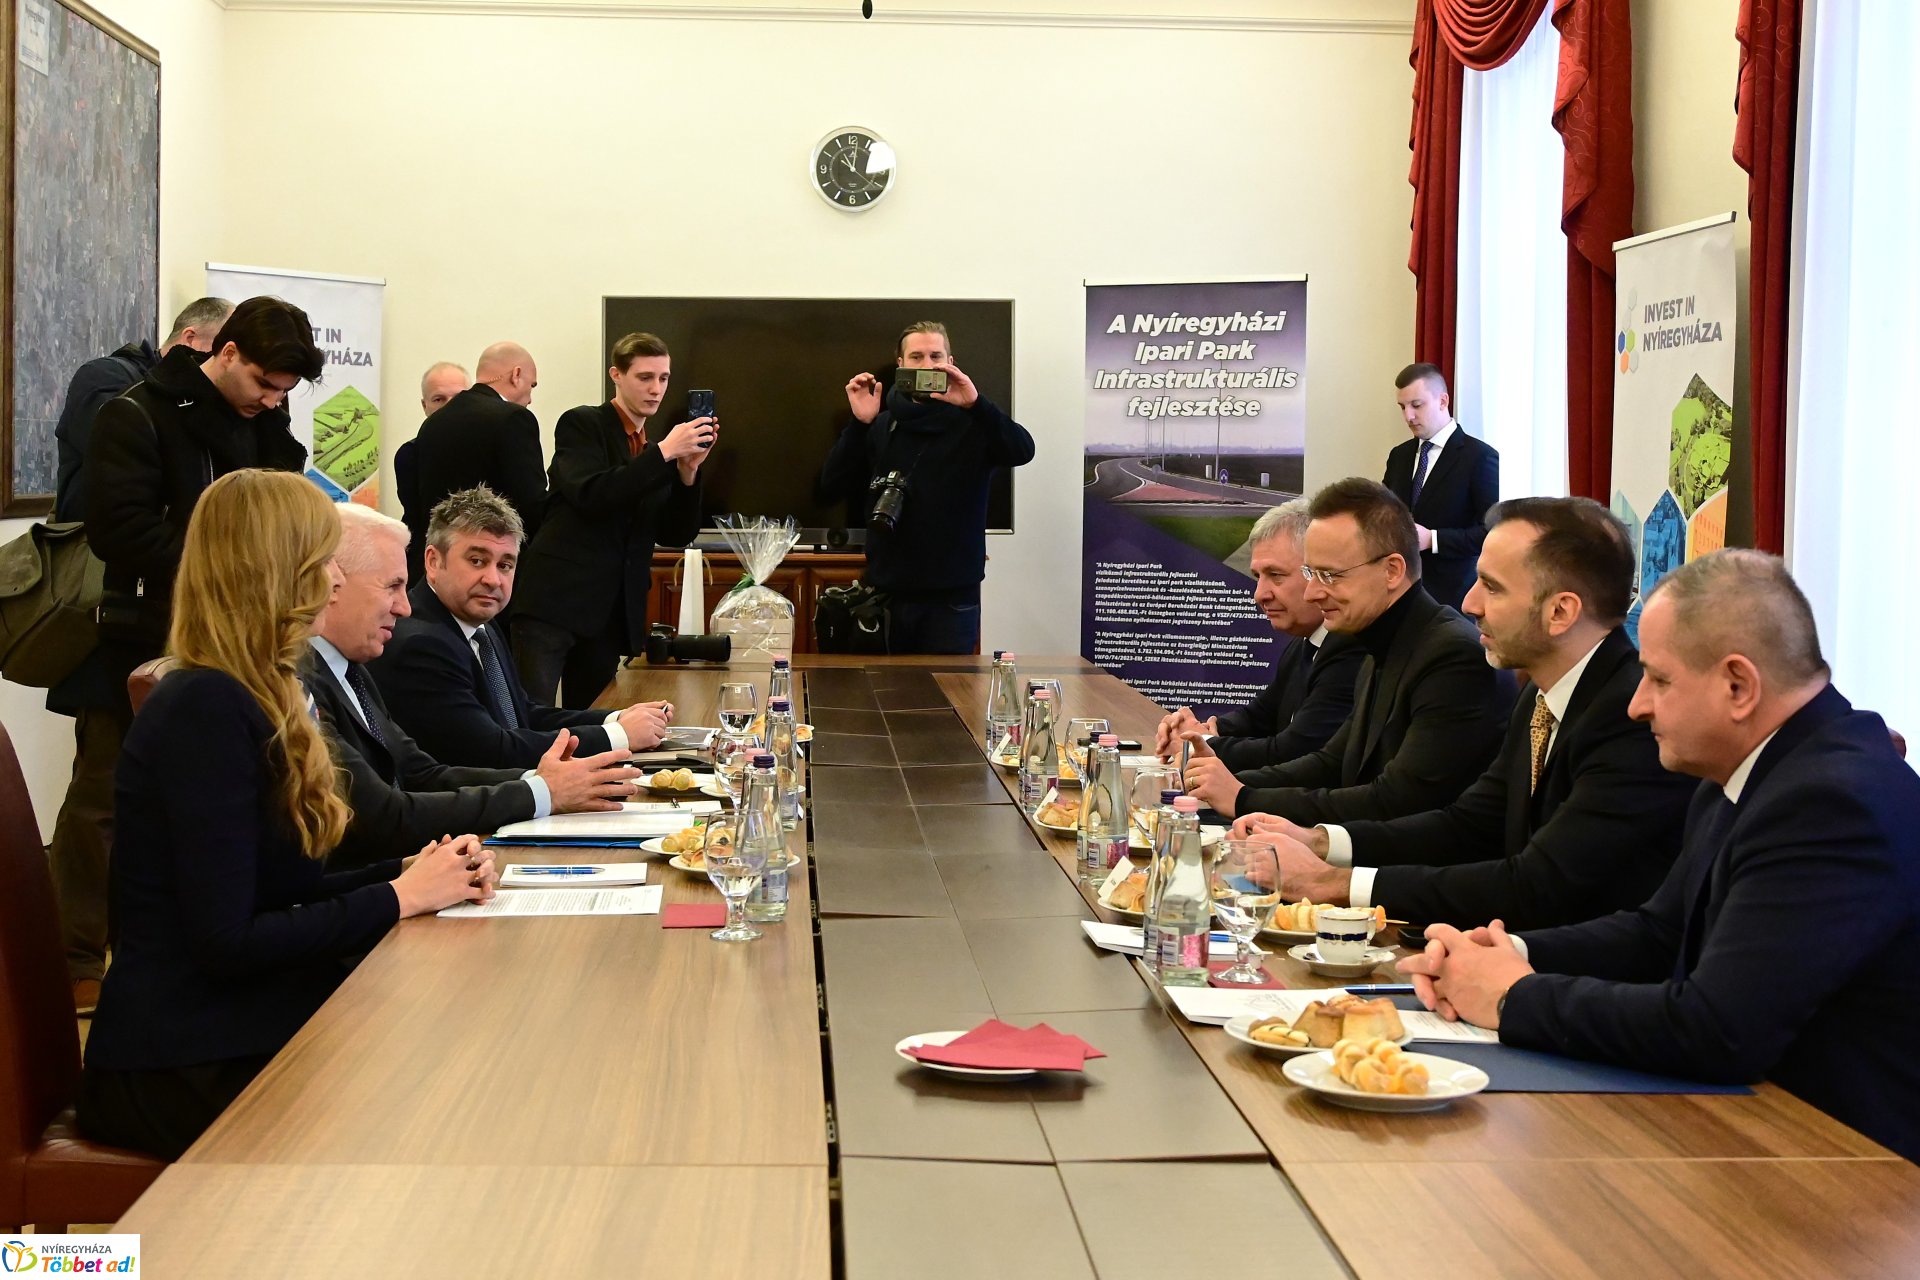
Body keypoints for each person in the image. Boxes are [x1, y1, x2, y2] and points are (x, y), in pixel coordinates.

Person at [1400, 550, 1920, 1162]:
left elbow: (1719, 1029)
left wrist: (1514, 998)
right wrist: (1508, 953)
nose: (1637, 703)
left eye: (1660, 679)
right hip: (1753, 1127)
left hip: (1846, 1166)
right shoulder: (1752, 768)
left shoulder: (1830, 803)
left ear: (1739, 685)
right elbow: (1659, 932)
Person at [77, 470, 497, 1160]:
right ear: (280, 572)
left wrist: (410, 873)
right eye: (324, 564)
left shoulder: (255, 694)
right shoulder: (204, 709)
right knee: (435, 1100)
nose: (335, 586)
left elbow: (279, 890)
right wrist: (396, 898)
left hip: (230, 1026)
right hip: (182, 1059)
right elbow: (228, 940)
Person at [1234, 497, 1694, 931]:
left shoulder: (1629, 716)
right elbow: (1470, 824)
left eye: (1491, 587)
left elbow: (1538, 883)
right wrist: (1321, 841)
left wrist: (1332, 883)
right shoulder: (1542, 692)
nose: (1470, 603)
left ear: (1561, 612)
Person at [56, 297, 321, 1016]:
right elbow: (118, 528)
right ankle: (77, 957)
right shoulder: (136, 412)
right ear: (225, 353)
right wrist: (225, 564)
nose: (271, 401)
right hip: (146, 630)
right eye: (264, 384)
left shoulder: (265, 422)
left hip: (246, 639)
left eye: (282, 394)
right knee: (103, 796)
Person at [306, 504, 640, 868]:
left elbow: (422, 772)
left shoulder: (355, 665)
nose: (403, 608)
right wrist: (544, 789)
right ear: (329, 583)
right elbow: (385, 813)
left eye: (506, 565)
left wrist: (549, 780)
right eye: (392, 586)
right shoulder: (313, 678)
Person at [1182, 477, 1508, 822]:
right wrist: (1217, 787)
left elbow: (1398, 800)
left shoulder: (1451, 657)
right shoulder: (1380, 639)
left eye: (1330, 575)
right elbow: (1333, 762)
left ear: (1392, 570)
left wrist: (1243, 797)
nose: (1312, 593)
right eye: (1312, 573)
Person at [370, 486, 673, 769]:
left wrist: (616, 718)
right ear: (434, 562)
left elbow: (521, 714)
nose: (493, 579)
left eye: (505, 565)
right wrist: (618, 737)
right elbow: (491, 750)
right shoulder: (420, 643)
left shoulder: (481, 626)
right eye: (477, 560)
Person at [512, 332, 711, 707]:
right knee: (529, 716)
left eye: (664, 378)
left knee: (591, 724)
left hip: (609, 615)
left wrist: (687, 472)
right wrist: (666, 453)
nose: (656, 389)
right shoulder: (583, 423)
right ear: (616, 375)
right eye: (645, 377)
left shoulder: (655, 453)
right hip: (555, 603)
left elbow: (676, 533)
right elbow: (593, 494)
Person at [816, 321, 1034, 654]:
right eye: (916, 357)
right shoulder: (883, 424)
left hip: (951, 601)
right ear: (900, 364)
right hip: (885, 596)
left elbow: (1022, 451)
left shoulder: (975, 424)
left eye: (936, 356)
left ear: (951, 362)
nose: (927, 365)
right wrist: (860, 425)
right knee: (883, 700)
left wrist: (977, 404)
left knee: (948, 701)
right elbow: (830, 487)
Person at [1153, 499, 1364, 771]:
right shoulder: (1304, 643)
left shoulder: (1351, 649)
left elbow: (1293, 751)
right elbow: (1259, 717)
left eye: (1276, 575)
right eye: (1257, 576)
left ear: (1318, 572)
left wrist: (1200, 742)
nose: (1259, 594)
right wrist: (1196, 732)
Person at [53, 296, 233, 522]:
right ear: (190, 338)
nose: (226, 363)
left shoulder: (200, 397)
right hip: (97, 543)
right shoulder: (105, 376)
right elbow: (117, 452)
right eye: (224, 350)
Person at [1381, 363, 1498, 611]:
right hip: (1399, 595)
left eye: (1416, 405)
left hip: (1453, 599)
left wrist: (1433, 539)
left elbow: (1492, 533)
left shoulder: (1480, 457)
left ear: (1443, 401)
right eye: (1402, 407)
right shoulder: (1399, 456)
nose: (1408, 416)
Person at [410, 342, 547, 554]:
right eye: (532, 385)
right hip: (494, 557)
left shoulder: (432, 424)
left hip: (445, 554)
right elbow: (530, 504)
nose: (530, 398)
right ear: (516, 375)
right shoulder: (514, 418)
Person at [395, 360, 471, 581]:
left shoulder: (492, 449)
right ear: (424, 405)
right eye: (439, 399)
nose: (449, 408)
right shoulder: (409, 455)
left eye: (458, 399)